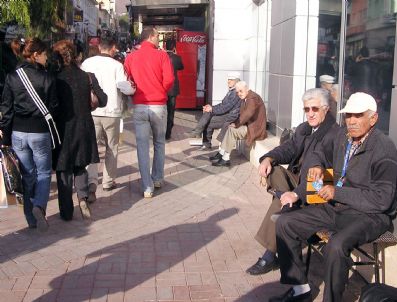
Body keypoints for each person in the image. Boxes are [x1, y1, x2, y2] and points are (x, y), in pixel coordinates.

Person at [270, 92, 397, 302]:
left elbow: (382, 199)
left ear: (373, 118)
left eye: (358, 116)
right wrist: (318, 166)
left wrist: (337, 192)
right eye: (348, 116)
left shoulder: (384, 148)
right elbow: (320, 153)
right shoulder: (343, 137)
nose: (352, 121)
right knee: (285, 223)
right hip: (337, 207)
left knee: (336, 246)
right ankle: (299, 289)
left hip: (369, 215)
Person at [246, 88, 339, 276]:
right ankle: (287, 201)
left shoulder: (334, 135)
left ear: (326, 109)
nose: (310, 113)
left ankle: (269, 255)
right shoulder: (305, 129)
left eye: (315, 109)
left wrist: (300, 192)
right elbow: (288, 149)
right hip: (296, 182)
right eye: (307, 109)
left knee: (279, 203)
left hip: (315, 189)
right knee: (275, 171)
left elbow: (331, 175)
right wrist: (268, 158)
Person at [0, 38, 59, 231]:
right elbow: (54, 107)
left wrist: (6, 137)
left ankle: (30, 218)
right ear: (36, 55)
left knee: (27, 174)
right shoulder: (47, 77)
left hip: (18, 132)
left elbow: (6, 109)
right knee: (43, 172)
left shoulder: (12, 76)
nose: (46, 57)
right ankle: (39, 206)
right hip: (40, 131)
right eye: (44, 54)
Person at [52, 40, 107, 221]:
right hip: (84, 126)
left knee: (63, 169)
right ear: (76, 55)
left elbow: (52, 106)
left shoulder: (56, 78)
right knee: (80, 165)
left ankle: (67, 211)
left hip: (63, 128)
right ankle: (82, 198)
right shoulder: (87, 76)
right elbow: (103, 99)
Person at [124, 26, 174, 198]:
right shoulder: (162, 55)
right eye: (157, 36)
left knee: (142, 147)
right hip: (158, 105)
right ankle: (158, 178)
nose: (159, 39)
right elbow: (169, 79)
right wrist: (160, 90)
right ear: (151, 37)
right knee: (159, 142)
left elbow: (127, 80)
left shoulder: (131, 57)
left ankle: (147, 186)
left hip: (139, 105)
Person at [81, 38, 130, 201]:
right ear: (113, 48)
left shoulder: (87, 63)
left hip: (92, 112)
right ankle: (108, 181)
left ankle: (90, 180)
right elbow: (124, 87)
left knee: (91, 147)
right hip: (112, 112)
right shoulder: (117, 66)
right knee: (111, 147)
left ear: (100, 47)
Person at [210, 81, 267, 167]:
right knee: (230, 127)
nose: (239, 94)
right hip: (250, 126)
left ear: (247, 89)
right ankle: (222, 153)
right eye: (237, 92)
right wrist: (234, 123)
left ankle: (225, 158)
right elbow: (243, 114)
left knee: (232, 130)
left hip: (255, 129)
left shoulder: (252, 98)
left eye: (241, 91)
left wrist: (236, 124)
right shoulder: (247, 97)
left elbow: (248, 114)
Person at [186, 72, 241, 150]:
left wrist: (212, 109)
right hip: (226, 115)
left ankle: (200, 136)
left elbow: (226, 108)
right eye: (228, 79)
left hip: (230, 117)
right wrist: (211, 107)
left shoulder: (235, 93)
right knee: (208, 113)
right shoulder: (232, 91)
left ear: (237, 81)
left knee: (208, 120)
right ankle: (198, 134)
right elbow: (222, 104)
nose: (228, 81)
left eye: (231, 80)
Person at [165, 39, 184, 140]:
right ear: (174, 47)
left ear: (165, 46)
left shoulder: (162, 56)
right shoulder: (177, 58)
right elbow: (181, 67)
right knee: (171, 111)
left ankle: (161, 131)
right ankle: (168, 133)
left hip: (163, 88)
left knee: (162, 111)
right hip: (173, 88)